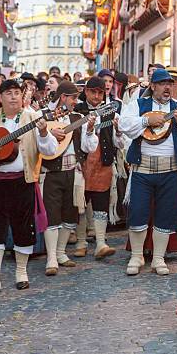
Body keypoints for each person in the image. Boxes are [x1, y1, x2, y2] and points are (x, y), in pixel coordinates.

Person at [0, 79, 58, 297]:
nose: (14, 96)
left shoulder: (33, 118)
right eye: (9, 93)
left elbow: (50, 148)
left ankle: (21, 273)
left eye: (17, 92)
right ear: (1, 97)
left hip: (22, 181)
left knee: (23, 227)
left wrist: (44, 133)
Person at [119, 69, 177, 275]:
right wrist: (146, 121)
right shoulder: (138, 105)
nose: (167, 87)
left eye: (170, 84)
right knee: (138, 212)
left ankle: (158, 258)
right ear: (152, 86)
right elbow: (124, 125)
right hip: (142, 169)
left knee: (166, 213)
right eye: (162, 83)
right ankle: (137, 256)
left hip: (170, 169)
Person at [42, 81, 98, 276]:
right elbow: (35, 138)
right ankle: (50, 258)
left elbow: (89, 147)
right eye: (73, 97)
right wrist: (48, 132)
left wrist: (90, 130)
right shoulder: (44, 116)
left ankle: (60, 253)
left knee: (69, 215)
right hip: (50, 172)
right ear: (63, 97)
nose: (76, 101)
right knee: (51, 216)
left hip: (73, 172)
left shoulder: (78, 118)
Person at [73, 77, 125, 258]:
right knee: (80, 202)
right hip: (81, 163)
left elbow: (119, 142)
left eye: (100, 92)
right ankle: (81, 241)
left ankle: (101, 242)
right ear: (86, 91)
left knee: (101, 202)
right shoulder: (76, 110)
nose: (96, 96)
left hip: (103, 162)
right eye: (93, 91)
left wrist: (118, 131)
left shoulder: (112, 112)